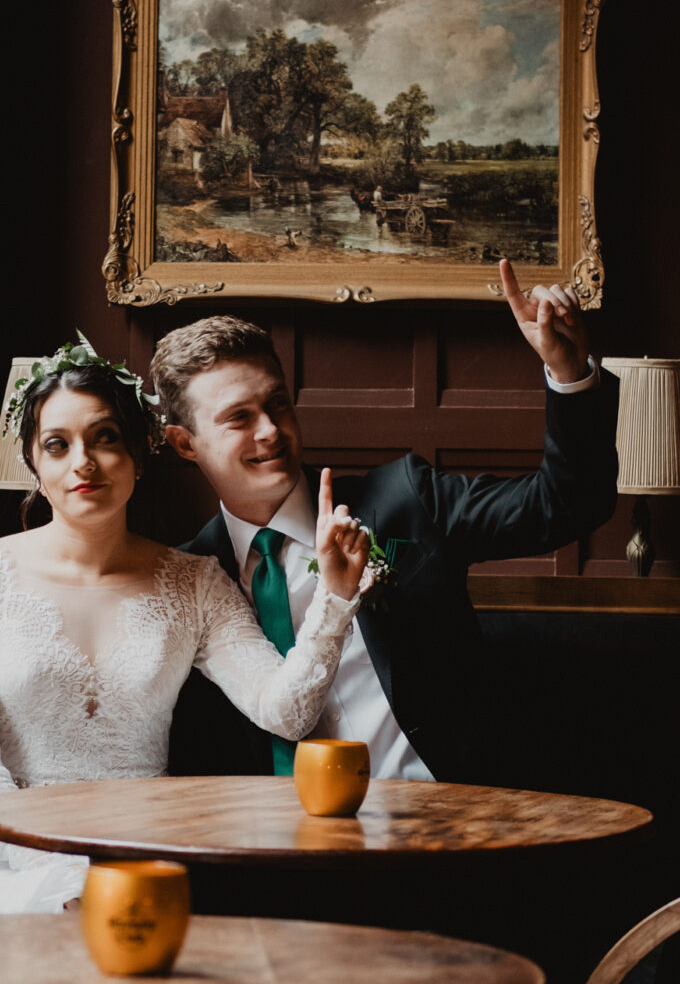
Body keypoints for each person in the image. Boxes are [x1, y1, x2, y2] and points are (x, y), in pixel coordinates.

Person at [0, 337, 372, 918]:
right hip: (8, 857)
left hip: (145, 856)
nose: (83, 464)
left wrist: (336, 597)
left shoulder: (196, 581)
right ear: (33, 465)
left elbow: (287, 711)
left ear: (139, 456)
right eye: (57, 445)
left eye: (105, 439)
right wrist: (54, 868)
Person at [154, 259, 619, 787]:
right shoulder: (189, 577)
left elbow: (568, 504)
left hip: (442, 824)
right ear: (184, 443)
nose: (270, 431)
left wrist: (569, 371)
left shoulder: (404, 500)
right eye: (239, 417)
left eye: (278, 404)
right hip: (272, 848)